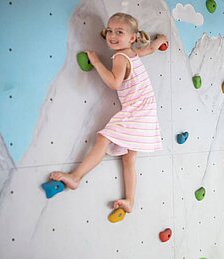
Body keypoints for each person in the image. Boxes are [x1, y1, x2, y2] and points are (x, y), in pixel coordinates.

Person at [49, 13, 167, 214]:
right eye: (110, 30)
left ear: (132, 37)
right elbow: (150, 49)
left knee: (104, 138)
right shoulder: (133, 52)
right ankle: (129, 200)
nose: (112, 35)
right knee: (129, 159)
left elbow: (114, 83)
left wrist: (96, 62)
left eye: (119, 32)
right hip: (145, 109)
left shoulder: (120, 57)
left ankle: (76, 177)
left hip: (137, 110)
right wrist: (160, 41)